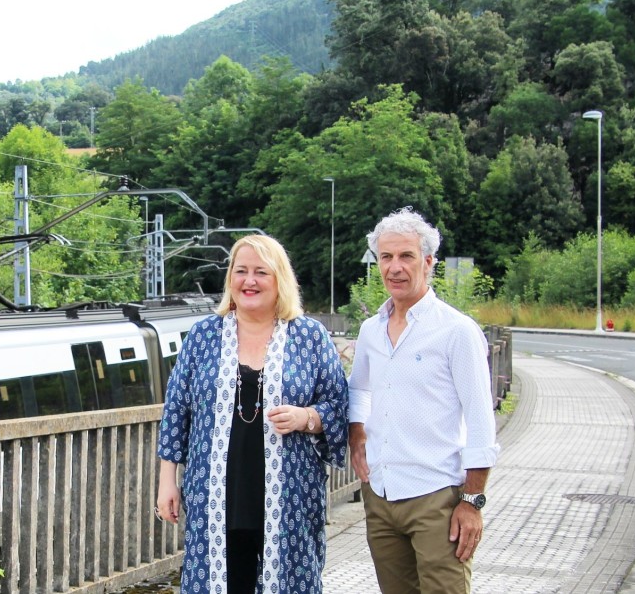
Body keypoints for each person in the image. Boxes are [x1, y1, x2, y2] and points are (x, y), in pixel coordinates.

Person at [157, 234, 349, 593]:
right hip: (213, 493)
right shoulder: (203, 336)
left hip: (289, 496)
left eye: (261, 272)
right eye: (241, 271)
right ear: (230, 278)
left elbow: (338, 407)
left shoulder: (310, 337)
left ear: (280, 280)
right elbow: (176, 411)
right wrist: (168, 480)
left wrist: (306, 417)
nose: (249, 281)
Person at [349, 208, 500, 594]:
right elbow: (359, 389)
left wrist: (472, 502)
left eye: (406, 256)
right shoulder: (371, 330)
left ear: (428, 262)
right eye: (386, 257)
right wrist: (356, 434)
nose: (394, 268)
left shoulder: (456, 332)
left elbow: (481, 422)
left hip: (437, 498)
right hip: (380, 496)